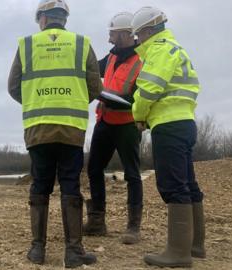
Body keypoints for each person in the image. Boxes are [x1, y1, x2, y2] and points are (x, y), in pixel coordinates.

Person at [7, 0, 102, 267]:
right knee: (71, 185)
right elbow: (94, 86)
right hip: (71, 128)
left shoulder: (27, 45)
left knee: (40, 184)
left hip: (38, 129)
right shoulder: (81, 44)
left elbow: (13, 86)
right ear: (64, 19)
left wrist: (36, 102)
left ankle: (37, 250)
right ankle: (73, 252)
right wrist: (72, 101)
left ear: (43, 19)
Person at [130, 6, 205, 268]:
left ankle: (178, 253)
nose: (137, 40)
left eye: (138, 35)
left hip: (168, 124)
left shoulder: (159, 50)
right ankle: (195, 245)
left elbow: (149, 89)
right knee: (188, 183)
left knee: (173, 185)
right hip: (185, 122)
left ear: (148, 31)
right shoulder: (177, 48)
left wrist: (138, 114)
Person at [82, 12, 143, 245]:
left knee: (132, 174)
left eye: (113, 34)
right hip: (105, 121)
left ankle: (133, 227)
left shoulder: (141, 60)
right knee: (94, 168)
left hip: (127, 124)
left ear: (126, 34)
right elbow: (90, 70)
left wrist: (111, 96)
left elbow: (137, 96)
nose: (109, 39)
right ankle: (97, 221)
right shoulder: (110, 57)